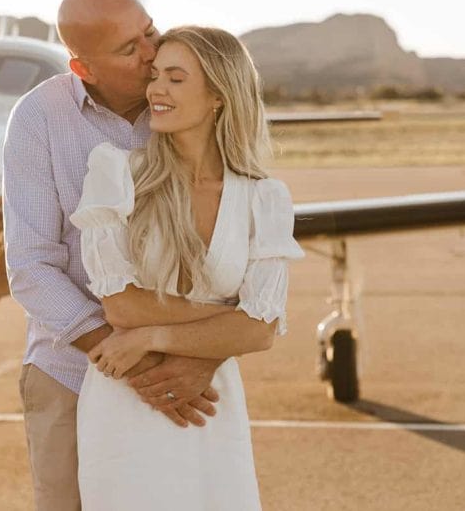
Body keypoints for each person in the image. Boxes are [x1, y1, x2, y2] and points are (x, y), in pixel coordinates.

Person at [3, 0, 225, 510]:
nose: (152, 55)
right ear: (84, 70)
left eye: (150, 31)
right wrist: (133, 361)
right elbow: (31, 267)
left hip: (186, 376)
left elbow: (234, 259)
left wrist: (202, 360)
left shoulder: (199, 104)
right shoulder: (38, 119)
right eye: (129, 49)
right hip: (69, 375)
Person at [70, 26, 305, 509]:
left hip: (208, 400)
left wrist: (153, 337)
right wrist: (228, 323)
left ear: (218, 95)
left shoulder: (264, 199)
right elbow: (122, 307)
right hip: (127, 403)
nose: (156, 89)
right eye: (155, 76)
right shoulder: (116, 173)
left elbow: (260, 331)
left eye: (175, 79)